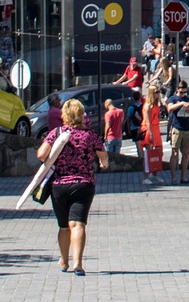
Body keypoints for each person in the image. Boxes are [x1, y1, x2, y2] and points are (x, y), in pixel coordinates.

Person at [39, 98, 108, 276]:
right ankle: (78, 263)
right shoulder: (90, 135)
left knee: (63, 226)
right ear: (81, 115)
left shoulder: (57, 133)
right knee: (78, 224)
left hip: (59, 185)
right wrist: (103, 164)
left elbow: (41, 154)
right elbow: (103, 155)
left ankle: (64, 261)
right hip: (83, 184)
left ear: (64, 115)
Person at [166, 82, 189, 183]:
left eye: (185, 91)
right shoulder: (173, 98)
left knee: (186, 154)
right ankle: (173, 177)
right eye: (181, 91)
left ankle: (184, 177)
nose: (183, 93)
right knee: (174, 153)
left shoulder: (188, 99)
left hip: (186, 129)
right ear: (177, 89)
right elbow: (170, 108)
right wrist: (181, 103)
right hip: (177, 128)